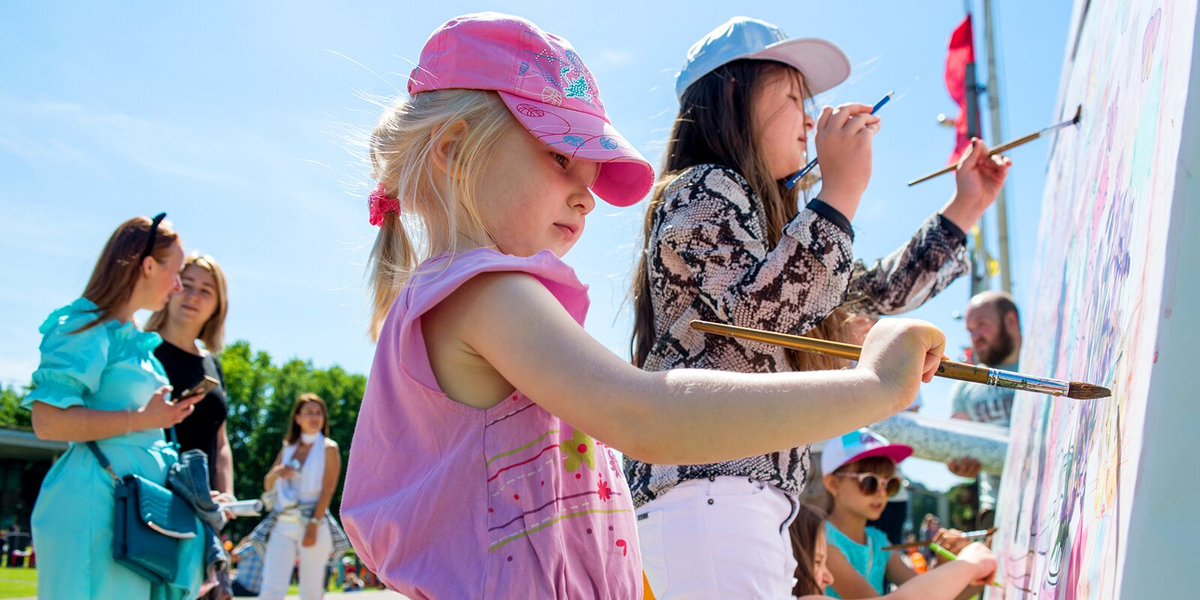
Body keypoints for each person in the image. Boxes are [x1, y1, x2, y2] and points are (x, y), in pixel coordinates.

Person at [340, 12, 950, 600]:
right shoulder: (487, 292)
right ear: (453, 149)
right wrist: (874, 386)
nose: (587, 198)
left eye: (590, 170)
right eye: (560, 157)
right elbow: (646, 416)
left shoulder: (462, 293)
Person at [625, 16, 1011, 597]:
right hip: (708, 494)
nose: (811, 117)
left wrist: (966, 207)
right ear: (732, 91)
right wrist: (840, 195)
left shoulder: (765, 215)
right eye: (792, 96)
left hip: (737, 499)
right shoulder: (700, 186)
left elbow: (872, 294)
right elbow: (760, 319)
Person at [23, 214, 206, 599]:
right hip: (95, 506)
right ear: (148, 265)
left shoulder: (135, 341)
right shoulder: (83, 327)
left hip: (137, 512)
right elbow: (48, 421)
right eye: (174, 273)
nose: (177, 286)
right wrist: (141, 419)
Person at [821, 428, 984, 599]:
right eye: (869, 482)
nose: (881, 493)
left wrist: (988, 565)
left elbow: (928, 593)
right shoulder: (822, 542)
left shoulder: (877, 541)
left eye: (890, 483)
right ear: (833, 484)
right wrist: (966, 568)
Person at [145, 253, 234, 498]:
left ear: (218, 306)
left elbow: (221, 441)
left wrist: (226, 496)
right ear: (171, 286)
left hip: (203, 511)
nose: (193, 296)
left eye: (206, 290)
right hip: (151, 499)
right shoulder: (142, 349)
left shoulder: (212, 364)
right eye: (186, 283)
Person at [788, 503, 995, 599]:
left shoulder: (877, 540)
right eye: (817, 563)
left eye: (890, 483)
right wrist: (970, 564)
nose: (828, 578)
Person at [254, 394, 348, 600]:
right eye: (309, 413)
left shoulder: (328, 448)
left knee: (311, 591)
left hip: (313, 521)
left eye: (319, 413)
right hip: (284, 523)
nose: (315, 417)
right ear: (297, 418)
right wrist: (277, 472)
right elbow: (267, 484)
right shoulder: (288, 447)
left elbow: (328, 490)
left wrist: (314, 525)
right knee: (271, 586)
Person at [947, 290, 1023, 528]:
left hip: (1059, 497)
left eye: (981, 325)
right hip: (998, 511)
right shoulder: (965, 387)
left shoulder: (1048, 369)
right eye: (970, 330)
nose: (975, 337)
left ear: (1010, 321)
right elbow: (954, 447)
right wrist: (958, 464)